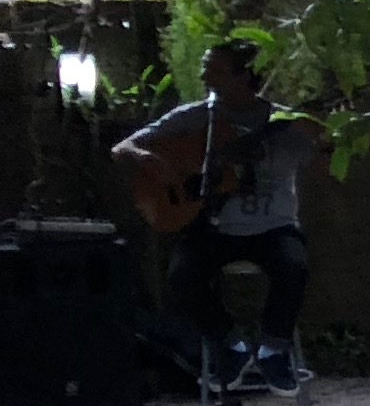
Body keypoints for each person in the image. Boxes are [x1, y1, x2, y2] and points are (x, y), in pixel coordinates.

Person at [116, 45, 328, 387]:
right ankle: (232, 345)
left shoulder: (286, 124)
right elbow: (122, 148)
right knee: (182, 276)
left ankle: (273, 352)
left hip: (274, 228)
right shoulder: (195, 117)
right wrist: (146, 158)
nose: (203, 77)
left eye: (213, 70)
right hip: (214, 229)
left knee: (294, 266)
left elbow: (324, 160)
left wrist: (325, 142)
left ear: (243, 77)